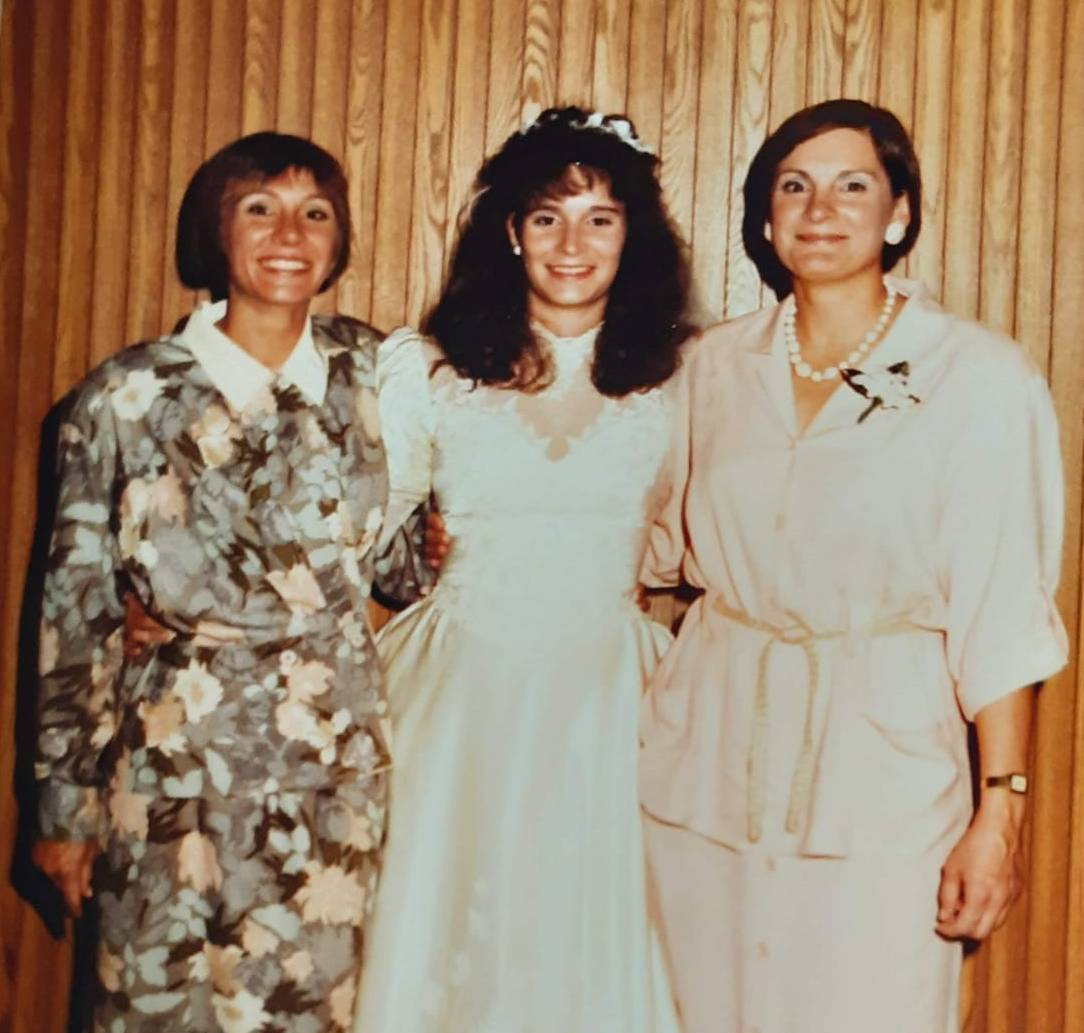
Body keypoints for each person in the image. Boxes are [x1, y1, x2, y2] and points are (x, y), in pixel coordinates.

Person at [638, 98, 1068, 1033]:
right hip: (705, 764)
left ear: (899, 214)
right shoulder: (707, 369)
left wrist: (1002, 812)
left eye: (852, 185)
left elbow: (1001, 617)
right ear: (763, 219)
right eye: (794, 186)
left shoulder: (978, 379)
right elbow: (644, 545)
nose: (820, 208)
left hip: (884, 778)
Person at [31, 132, 428, 1033]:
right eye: (261, 208)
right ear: (219, 230)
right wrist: (64, 805)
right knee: (156, 1011)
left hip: (332, 774)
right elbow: (77, 610)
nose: (289, 233)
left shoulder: (380, 377)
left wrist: (451, 534)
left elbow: (402, 563)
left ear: (339, 241)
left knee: (309, 1012)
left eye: (314, 213)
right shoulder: (125, 397)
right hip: (170, 768)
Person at [351, 107, 694, 1033]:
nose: (571, 243)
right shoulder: (429, 371)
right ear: (511, 232)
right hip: (459, 698)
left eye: (599, 217)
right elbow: (371, 551)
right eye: (547, 217)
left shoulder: (680, 380)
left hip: (610, 702)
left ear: (635, 236)